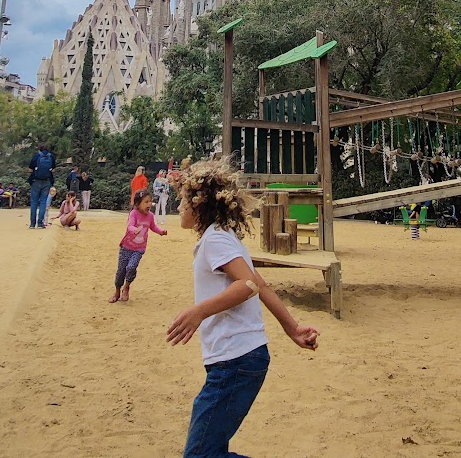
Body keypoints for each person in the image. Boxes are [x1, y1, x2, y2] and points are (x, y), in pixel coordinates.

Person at [167, 160, 319, 458]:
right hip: (239, 360)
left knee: (201, 455)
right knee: (210, 450)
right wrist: (292, 328)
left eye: (183, 200)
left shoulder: (215, 240)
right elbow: (259, 284)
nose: (179, 206)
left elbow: (248, 285)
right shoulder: (222, 238)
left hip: (235, 362)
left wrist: (199, 311)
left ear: (200, 204)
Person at [109, 189, 167, 303]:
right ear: (137, 204)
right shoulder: (134, 213)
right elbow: (130, 225)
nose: (149, 204)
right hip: (126, 247)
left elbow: (153, 226)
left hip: (139, 249)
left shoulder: (150, 216)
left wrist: (160, 231)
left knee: (131, 267)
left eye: (150, 201)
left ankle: (127, 287)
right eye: (146, 202)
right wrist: (134, 230)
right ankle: (117, 291)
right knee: (121, 271)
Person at [27, 143, 56, 229]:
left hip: (36, 181)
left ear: (39, 148)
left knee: (34, 202)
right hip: (46, 181)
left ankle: (32, 224)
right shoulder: (51, 157)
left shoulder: (36, 156)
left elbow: (30, 169)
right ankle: (40, 223)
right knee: (43, 202)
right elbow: (53, 169)